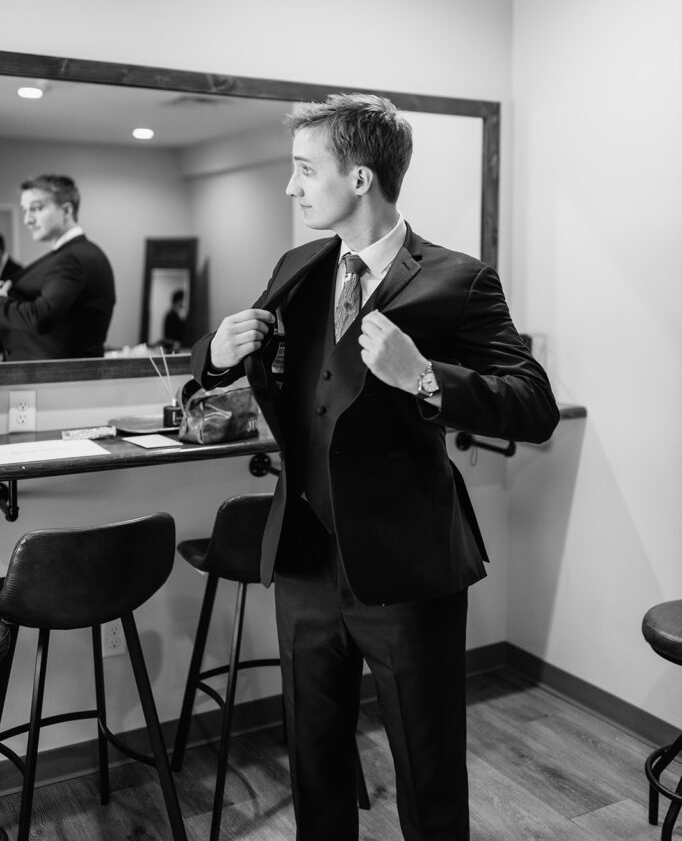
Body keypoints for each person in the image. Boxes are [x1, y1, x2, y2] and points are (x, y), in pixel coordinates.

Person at [192, 94, 559, 841]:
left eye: (303, 170)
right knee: (315, 765)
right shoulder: (297, 267)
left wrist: (426, 376)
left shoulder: (459, 280)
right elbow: (270, 368)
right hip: (303, 563)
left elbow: (534, 404)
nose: (290, 189)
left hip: (407, 569)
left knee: (427, 771)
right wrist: (215, 356)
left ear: (360, 178)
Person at [0, 174, 116, 360]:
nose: (27, 220)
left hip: (59, 382)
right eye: (25, 210)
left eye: (36, 209)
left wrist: (2, 303)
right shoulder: (71, 255)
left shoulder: (73, 258)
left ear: (66, 211)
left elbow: (40, 317)